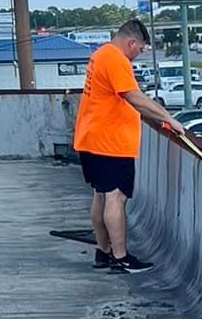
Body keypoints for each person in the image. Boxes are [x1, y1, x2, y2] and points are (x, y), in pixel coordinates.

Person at [72, 16, 179, 273]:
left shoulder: (101, 55)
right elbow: (133, 96)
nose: (139, 55)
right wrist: (169, 119)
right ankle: (121, 258)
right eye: (141, 49)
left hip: (92, 138)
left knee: (101, 195)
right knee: (115, 198)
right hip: (110, 142)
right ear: (132, 42)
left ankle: (103, 251)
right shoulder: (116, 60)